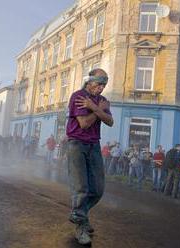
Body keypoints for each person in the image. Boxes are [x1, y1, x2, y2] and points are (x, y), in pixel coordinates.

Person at [66, 68, 113, 245]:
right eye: (99, 83)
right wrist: (99, 110)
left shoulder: (101, 101)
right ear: (89, 81)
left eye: (104, 85)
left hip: (94, 145)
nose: (101, 88)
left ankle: (79, 215)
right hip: (76, 144)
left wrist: (93, 107)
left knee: (98, 189)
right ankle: (81, 228)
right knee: (81, 188)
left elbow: (110, 121)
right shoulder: (78, 96)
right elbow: (84, 124)